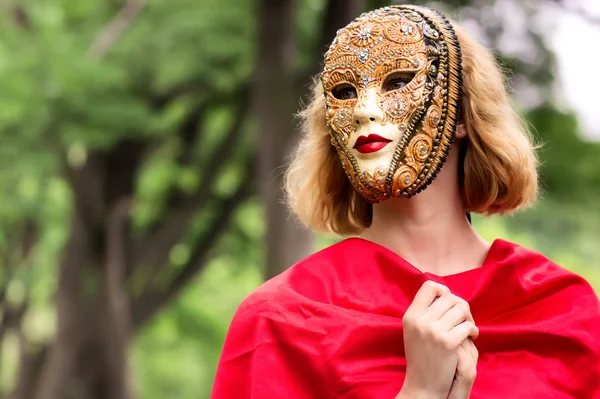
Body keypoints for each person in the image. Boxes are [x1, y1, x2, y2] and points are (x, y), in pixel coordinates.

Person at [211, 5, 600, 399]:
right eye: (344, 92)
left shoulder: (560, 309)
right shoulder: (281, 320)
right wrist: (421, 392)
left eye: (397, 82)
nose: (364, 110)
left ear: (462, 115)